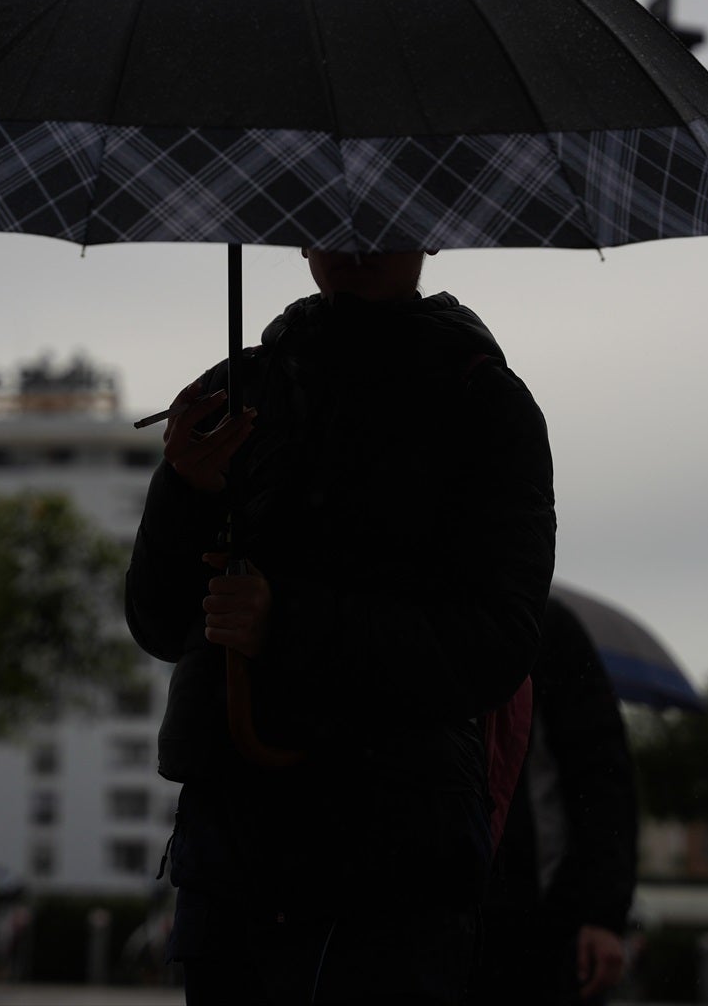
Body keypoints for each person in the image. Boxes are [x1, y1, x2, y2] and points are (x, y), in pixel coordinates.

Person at [125, 248, 555, 1005]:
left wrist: (286, 623)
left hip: (394, 856)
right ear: (299, 235)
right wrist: (185, 490)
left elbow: (498, 642)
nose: (356, 239)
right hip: (234, 847)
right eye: (331, 218)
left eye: (384, 218)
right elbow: (160, 621)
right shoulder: (240, 392)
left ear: (428, 231)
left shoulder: (482, 404)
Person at [469, 597, 639, 1005]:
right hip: (441, 908)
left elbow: (601, 775)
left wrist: (602, 913)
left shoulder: (544, 627)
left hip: (534, 919)